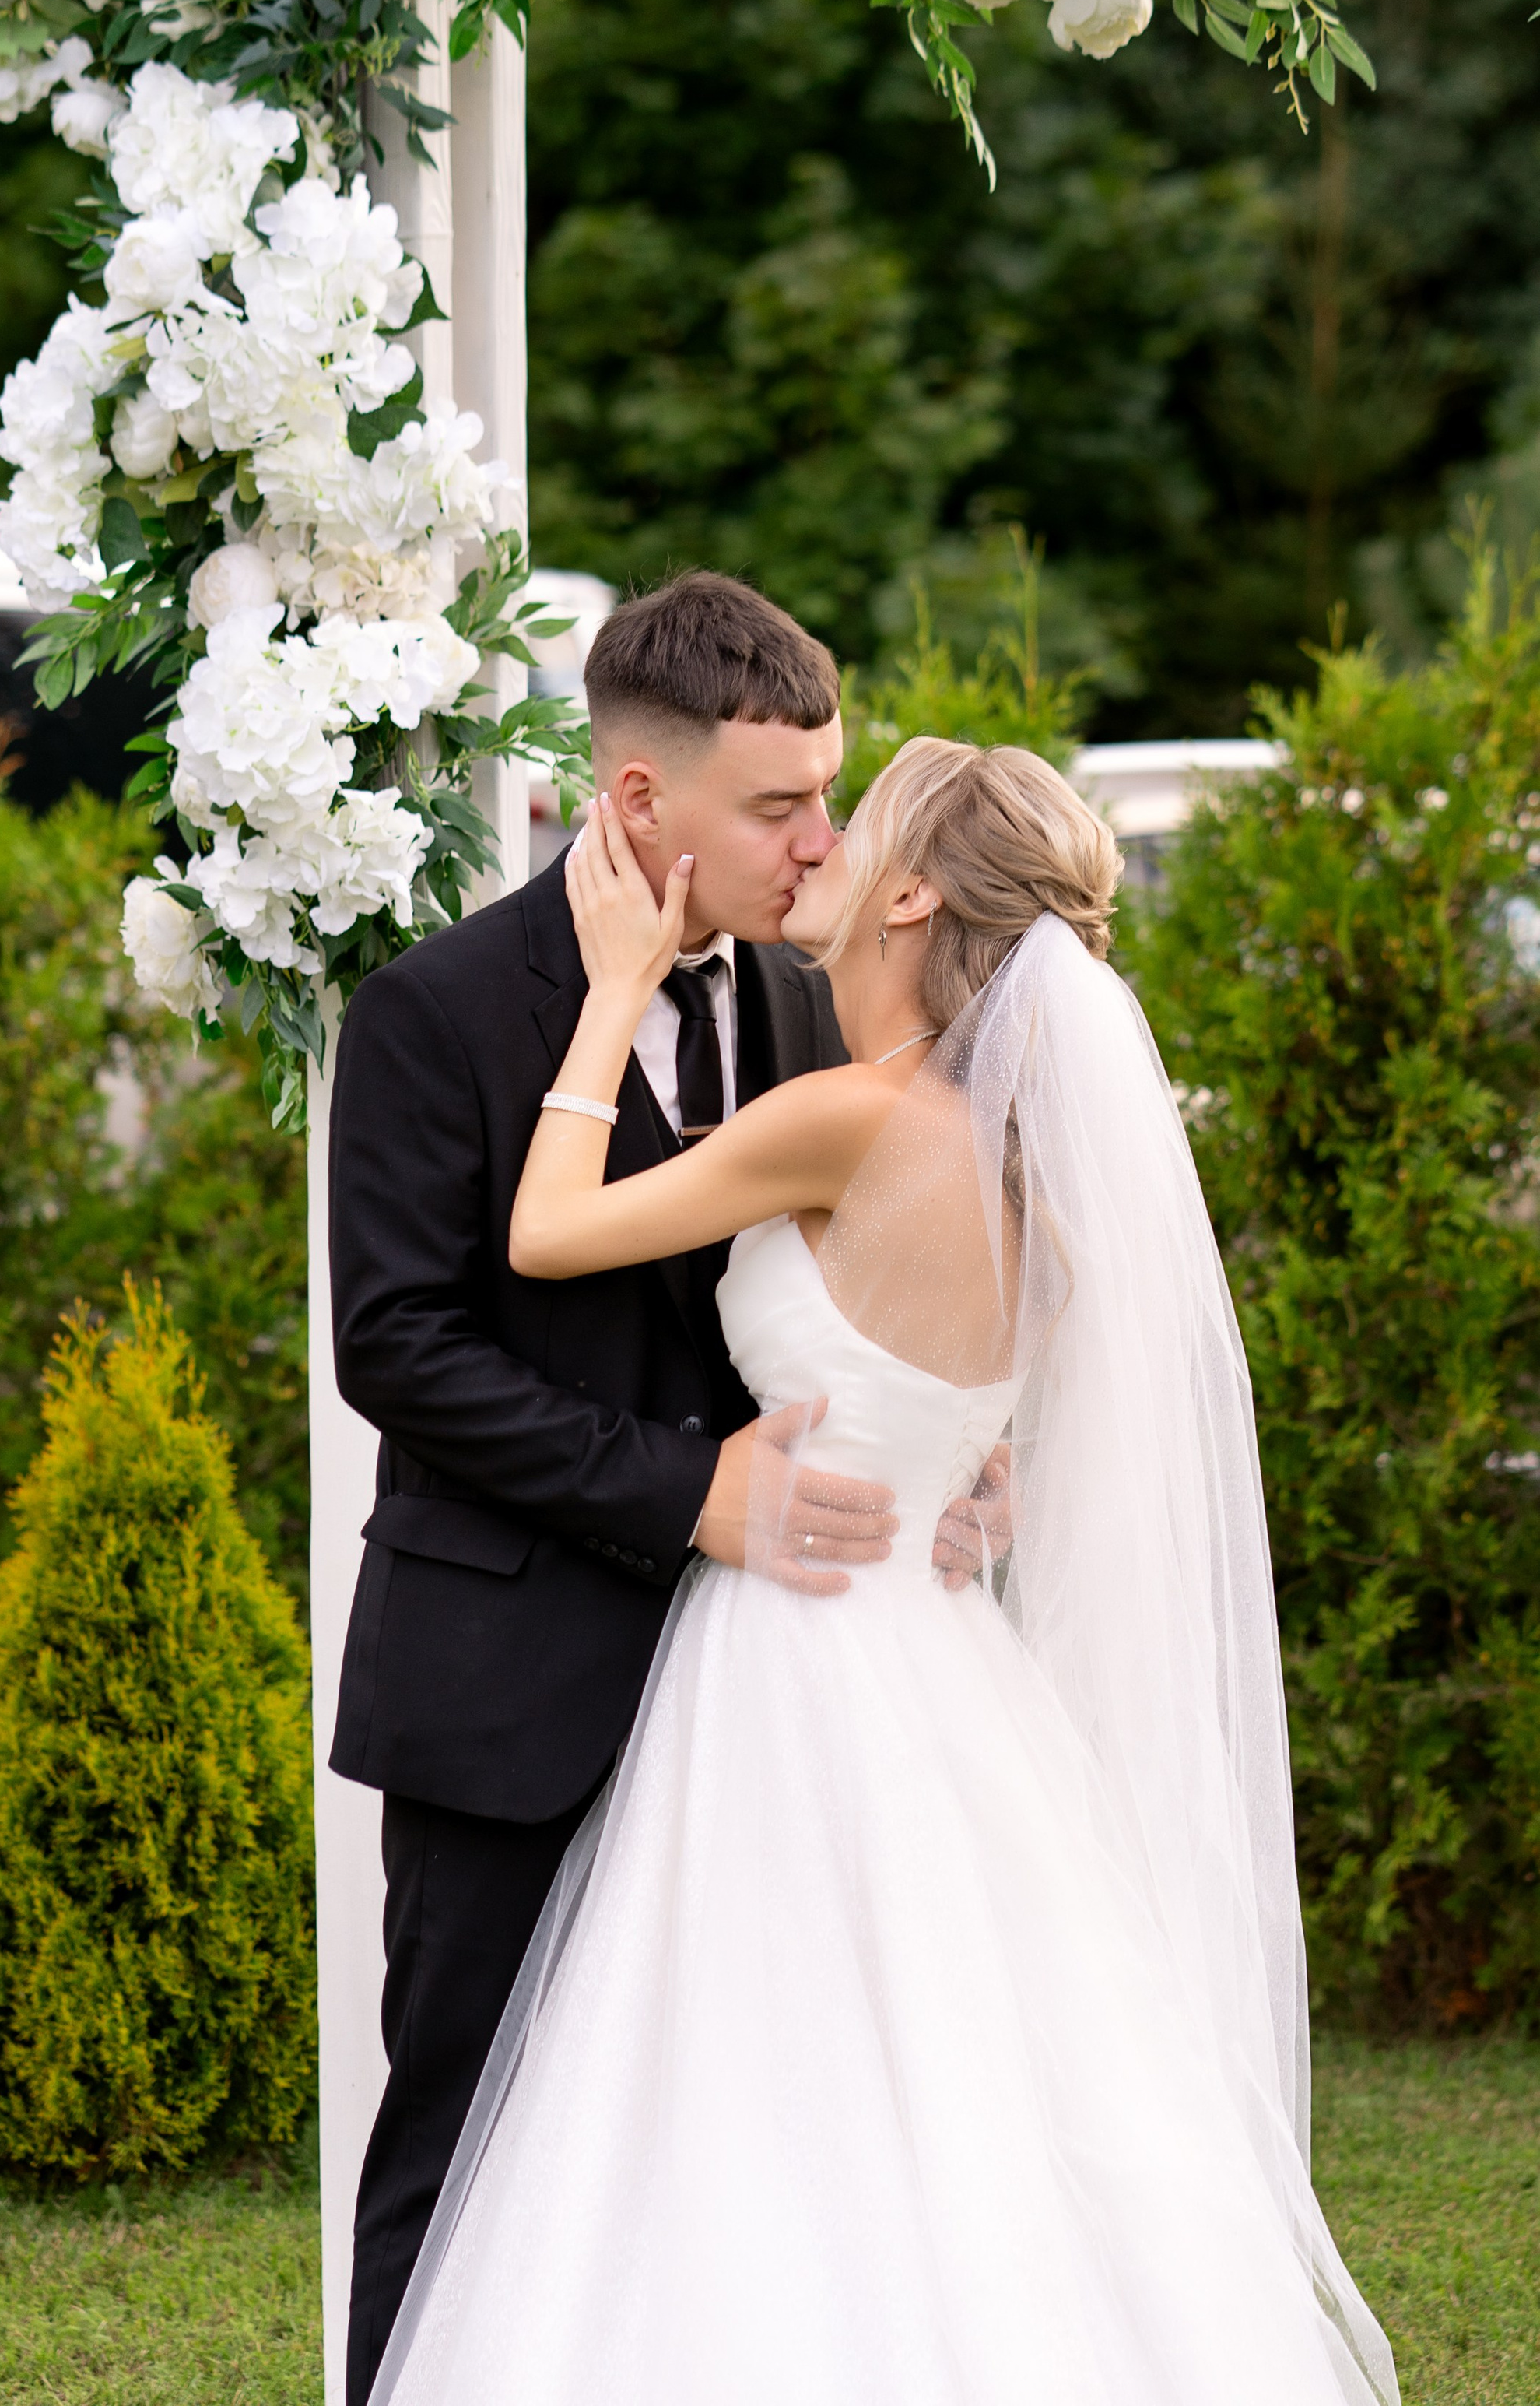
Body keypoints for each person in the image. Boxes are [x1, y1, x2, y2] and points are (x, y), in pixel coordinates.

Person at [368, 736, 1398, 2406]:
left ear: (912, 893)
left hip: (786, 1662)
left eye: (860, 821)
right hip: (937, 1671)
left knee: (740, 2099)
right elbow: (1000, 1427)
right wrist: (967, 1479)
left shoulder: (846, 1116)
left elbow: (548, 1231)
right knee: (948, 2100)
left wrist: (614, 986)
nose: (821, 842)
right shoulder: (1028, 1181)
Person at [327, 575, 1002, 2405]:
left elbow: (843, 1312)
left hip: (776, 1713)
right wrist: (680, 1494)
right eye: (779, 808)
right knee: (463, 2160)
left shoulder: (821, 1010)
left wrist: (924, 1467)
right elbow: (395, 1345)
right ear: (639, 805)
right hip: (506, 1686)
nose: (820, 843)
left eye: (830, 794)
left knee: (738, 2170)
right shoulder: (434, 1009)